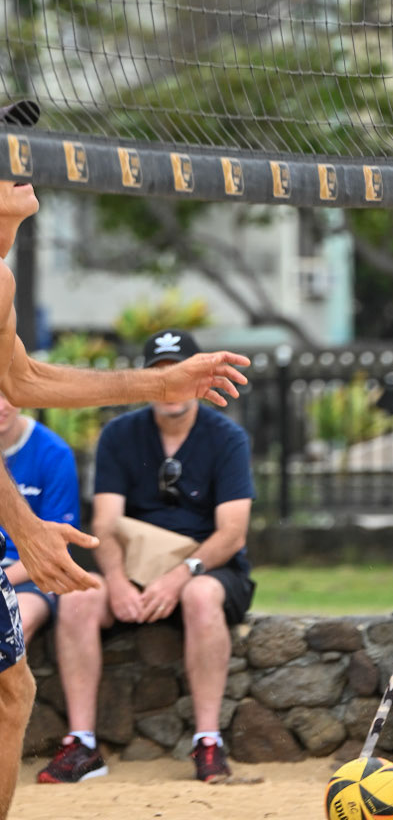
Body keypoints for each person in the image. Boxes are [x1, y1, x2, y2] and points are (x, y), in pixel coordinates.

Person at [0, 171, 248, 820]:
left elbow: (23, 379)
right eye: (5, 150)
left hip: (194, 575)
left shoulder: (1, 279)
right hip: (119, 571)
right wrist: (25, 528)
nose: (23, 163)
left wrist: (157, 384)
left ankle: (206, 740)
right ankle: (85, 742)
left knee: (12, 693)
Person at [38, 327, 256, 787]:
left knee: (200, 596)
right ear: (146, 379)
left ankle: (208, 740)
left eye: (180, 372)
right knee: (78, 597)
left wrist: (180, 575)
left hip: (207, 569)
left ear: (201, 378)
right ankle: (82, 743)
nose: (171, 383)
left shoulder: (228, 438)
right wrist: (116, 580)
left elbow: (232, 533)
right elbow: (105, 523)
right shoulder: (119, 434)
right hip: (133, 568)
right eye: (161, 373)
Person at [0, 392, 80, 658]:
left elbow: (54, 548)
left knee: (11, 628)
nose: (1, 406)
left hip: (29, 574)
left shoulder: (53, 453)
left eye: (7, 395)